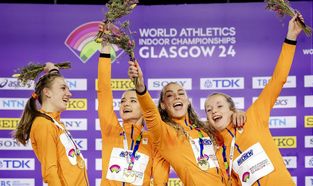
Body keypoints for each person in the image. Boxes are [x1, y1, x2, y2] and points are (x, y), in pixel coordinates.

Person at [204, 14, 303, 186]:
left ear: (231, 110)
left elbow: (277, 80)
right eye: (209, 109)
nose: (214, 111)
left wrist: (291, 38)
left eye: (219, 105)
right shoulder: (220, 154)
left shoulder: (253, 117)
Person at [127, 56, 246, 185]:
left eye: (181, 93)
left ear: (188, 101)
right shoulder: (164, 135)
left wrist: (236, 114)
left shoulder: (206, 129)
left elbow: (229, 135)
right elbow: (150, 113)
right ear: (163, 104)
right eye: (170, 95)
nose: (177, 96)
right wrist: (140, 87)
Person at [97, 23, 169, 185]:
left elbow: (160, 177)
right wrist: (105, 48)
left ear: (144, 109)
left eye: (132, 100)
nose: (125, 104)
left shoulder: (153, 139)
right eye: (122, 101)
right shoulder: (111, 129)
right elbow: (104, 90)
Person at [13, 63, 89, 185]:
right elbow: (50, 172)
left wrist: (54, 71)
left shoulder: (54, 122)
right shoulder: (43, 124)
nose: (69, 94)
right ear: (47, 92)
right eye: (63, 88)